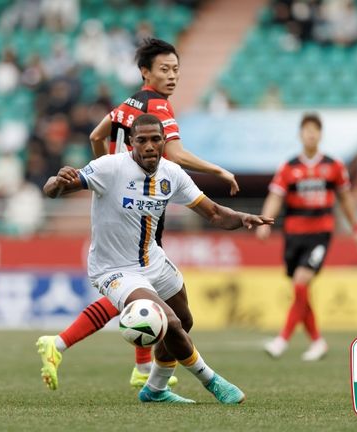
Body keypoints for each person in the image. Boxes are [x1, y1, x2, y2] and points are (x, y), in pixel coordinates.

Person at [37, 37, 240, 391]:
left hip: (123, 196)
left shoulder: (128, 103)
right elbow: (174, 154)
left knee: (138, 291)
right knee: (144, 291)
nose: (172, 76)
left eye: (176, 69)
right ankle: (154, 374)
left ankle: (137, 368)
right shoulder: (158, 107)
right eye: (165, 69)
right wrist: (218, 171)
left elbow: (96, 134)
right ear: (146, 72)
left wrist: (105, 169)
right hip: (141, 200)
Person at [43, 114, 273, 403]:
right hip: (114, 270)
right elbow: (55, 189)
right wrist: (56, 182)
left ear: (164, 142)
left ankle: (154, 389)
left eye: (156, 139)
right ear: (130, 143)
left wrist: (242, 217)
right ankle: (212, 381)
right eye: (142, 140)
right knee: (170, 321)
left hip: (153, 261)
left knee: (184, 320)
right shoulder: (110, 168)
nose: (150, 146)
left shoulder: (171, 173)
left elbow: (213, 213)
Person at [257, 112, 357, 361]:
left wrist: (356, 229)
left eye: (314, 130)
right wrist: (265, 222)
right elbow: (276, 196)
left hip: (320, 234)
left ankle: (282, 339)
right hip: (294, 235)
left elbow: (346, 199)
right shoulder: (289, 166)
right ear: (300, 134)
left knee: (300, 281)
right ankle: (318, 342)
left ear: (320, 134)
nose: (310, 134)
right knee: (300, 290)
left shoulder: (334, 165)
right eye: (306, 130)